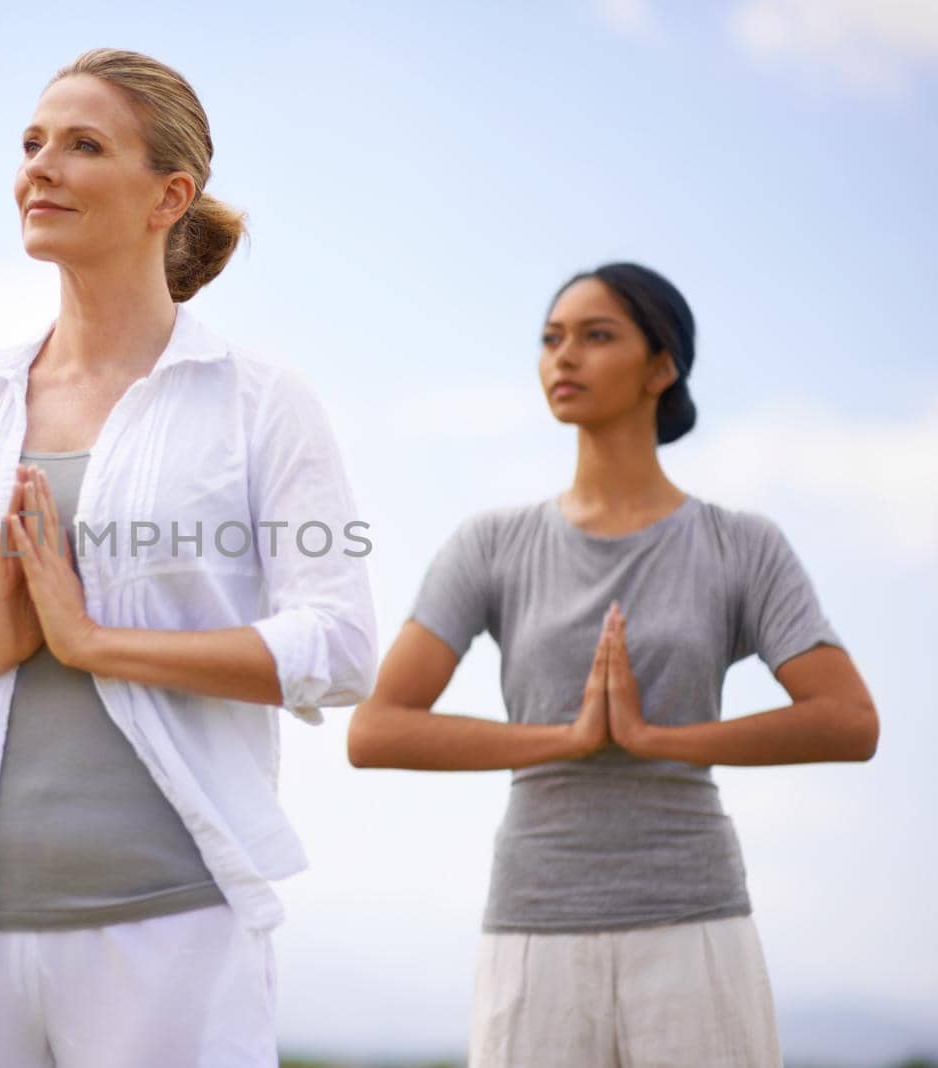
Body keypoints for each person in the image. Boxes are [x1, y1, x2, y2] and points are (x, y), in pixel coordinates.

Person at [0, 48, 377, 1068]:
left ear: (169, 196)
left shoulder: (258, 401)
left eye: (81, 145)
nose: (40, 168)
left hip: (172, 926)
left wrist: (98, 641)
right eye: (29, 145)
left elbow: (338, 645)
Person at [347, 262, 879, 1067]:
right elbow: (375, 731)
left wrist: (659, 737)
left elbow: (848, 721)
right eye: (552, 339)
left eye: (598, 337)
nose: (565, 357)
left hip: (694, 922)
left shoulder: (741, 544)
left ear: (661, 368)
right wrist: (564, 738)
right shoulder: (492, 544)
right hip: (535, 924)